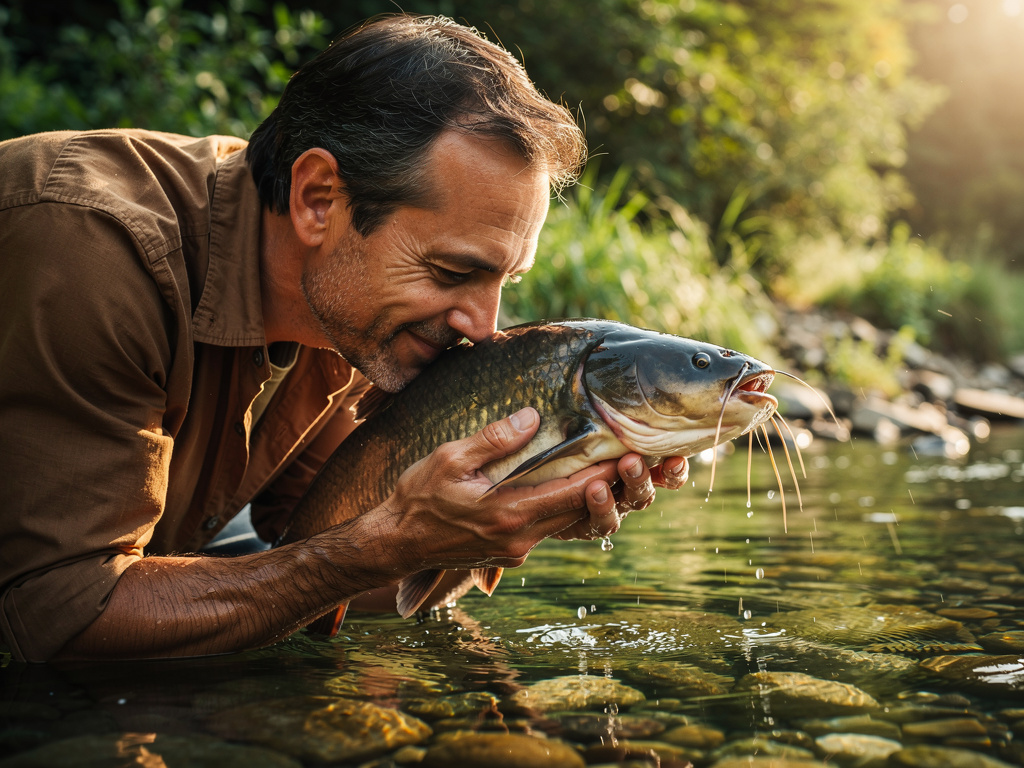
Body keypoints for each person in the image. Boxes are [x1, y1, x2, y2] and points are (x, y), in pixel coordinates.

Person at [0, 14, 688, 663]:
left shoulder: (356, 323)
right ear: (318, 199)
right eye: (452, 270)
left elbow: (320, 559)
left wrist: (494, 525)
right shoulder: (96, 250)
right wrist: (367, 550)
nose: (484, 325)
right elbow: (57, 616)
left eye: (504, 279)